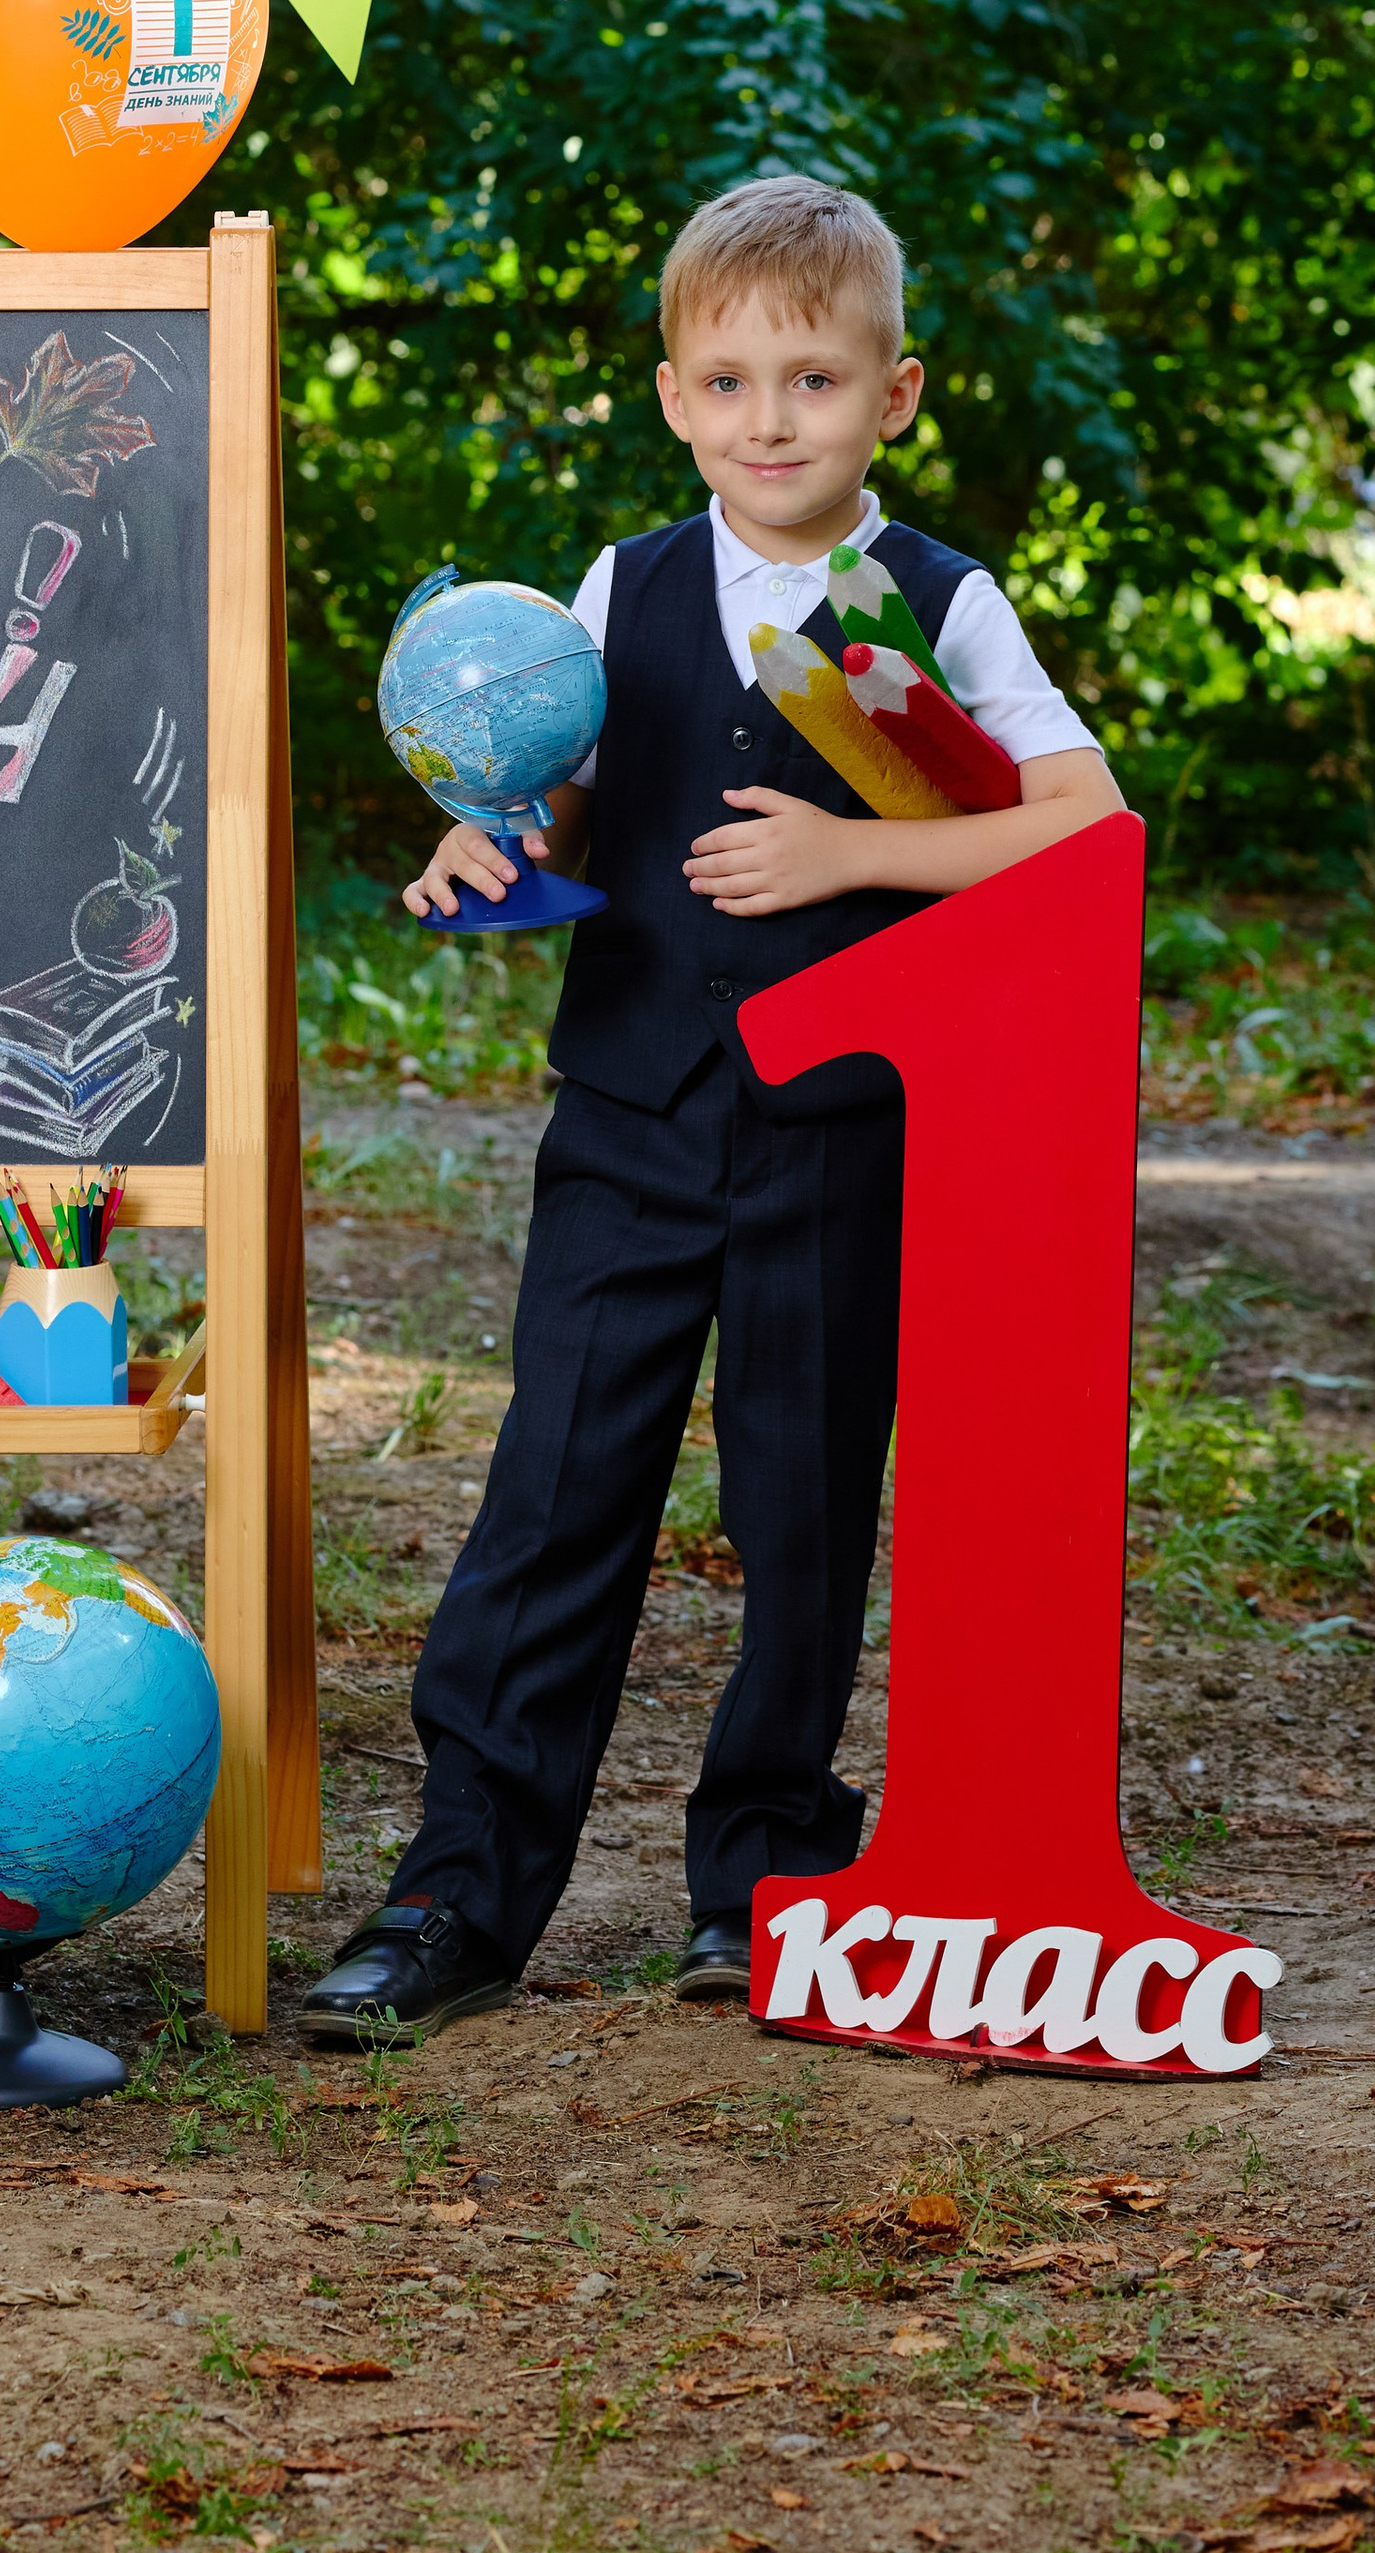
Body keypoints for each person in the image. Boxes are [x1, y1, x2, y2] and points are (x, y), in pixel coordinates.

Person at [302, 173, 1120, 2045]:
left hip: (837, 1123)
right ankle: (461, 1888)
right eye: (733, 380)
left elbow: (1083, 826)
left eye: (814, 381)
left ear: (892, 397)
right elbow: (558, 796)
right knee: (557, 1489)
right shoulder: (623, 585)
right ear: (674, 395)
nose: (773, 418)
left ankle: (766, 1882)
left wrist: (858, 846)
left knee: (803, 1507)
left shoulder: (928, 602)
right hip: (631, 1116)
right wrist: (481, 840)